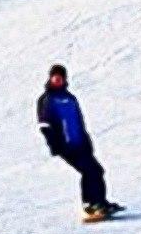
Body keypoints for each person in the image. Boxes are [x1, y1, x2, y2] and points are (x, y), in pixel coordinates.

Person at [37, 64, 124, 221]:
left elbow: (78, 121)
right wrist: (54, 144)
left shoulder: (70, 98)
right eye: (54, 76)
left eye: (60, 76)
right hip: (65, 145)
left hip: (80, 143)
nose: (57, 79)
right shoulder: (47, 100)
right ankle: (89, 204)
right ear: (50, 78)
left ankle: (100, 202)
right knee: (88, 171)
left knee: (97, 171)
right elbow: (45, 125)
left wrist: (86, 140)